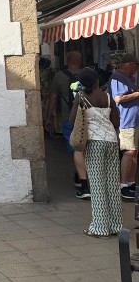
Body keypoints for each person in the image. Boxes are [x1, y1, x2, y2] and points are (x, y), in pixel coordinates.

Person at [70, 67, 122, 237]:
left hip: (94, 142)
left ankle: (99, 227)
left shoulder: (81, 97)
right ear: (96, 80)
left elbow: (72, 120)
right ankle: (115, 225)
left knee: (98, 185)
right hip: (111, 141)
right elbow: (115, 120)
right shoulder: (107, 96)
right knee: (112, 184)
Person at [45, 51, 89, 198]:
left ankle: (82, 180)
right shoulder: (88, 75)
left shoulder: (59, 76)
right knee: (85, 148)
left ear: (67, 60)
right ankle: (80, 175)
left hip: (68, 117)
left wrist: (48, 117)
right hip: (87, 117)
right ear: (80, 60)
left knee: (76, 150)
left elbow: (53, 98)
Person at [109, 53, 139, 201]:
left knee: (134, 152)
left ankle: (131, 182)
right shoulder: (118, 77)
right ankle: (123, 185)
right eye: (136, 65)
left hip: (133, 121)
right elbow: (119, 98)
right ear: (129, 64)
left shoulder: (126, 78)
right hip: (125, 120)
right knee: (129, 151)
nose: (137, 68)